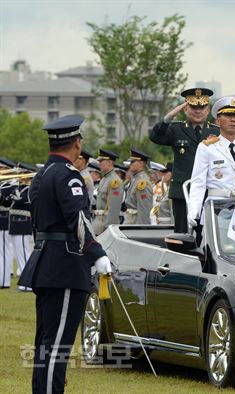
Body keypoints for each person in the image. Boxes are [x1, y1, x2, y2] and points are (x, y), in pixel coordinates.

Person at [17, 115, 112, 394]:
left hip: (46, 263)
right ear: (77, 144)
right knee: (56, 347)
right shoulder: (69, 176)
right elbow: (79, 220)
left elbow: (38, 221)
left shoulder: (41, 175)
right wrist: (98, 253)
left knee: (45, 346)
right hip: (66, 268)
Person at [188, 97, 235, 228]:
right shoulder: (207, 147)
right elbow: (198, 182)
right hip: (217, 208)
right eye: (228, 115)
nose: (233, 119)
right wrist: (193, 211)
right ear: (218, 121)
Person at [149, 87, 219, 233]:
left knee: (209, 233)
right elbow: (154, 136)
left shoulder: (216, 132)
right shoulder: (176, 129)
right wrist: (171, 114)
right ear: (186, 109)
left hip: (209, 192)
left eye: (202, 107)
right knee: (182, 233)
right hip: (182, 191)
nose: (198, 111)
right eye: (193, 107)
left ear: (208, 110)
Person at [9, 163, 35, 291]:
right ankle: (24, 282)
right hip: (15, 223)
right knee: (19, 254)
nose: (19, 176)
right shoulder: (20, 187)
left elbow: (20, 199)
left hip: (23, 223)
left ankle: (28, 283)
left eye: (22, 173)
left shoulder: (30, 188)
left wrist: (14, 188)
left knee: (24, 254)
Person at [92, 149, 124, 234]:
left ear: (110, 162)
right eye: (99, 161)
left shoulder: (115, 181)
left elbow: (114, 209)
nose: (100, 163)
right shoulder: (104, 179)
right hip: (98, 222)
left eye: (102, 161)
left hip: (105, 225)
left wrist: (109, 229)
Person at [123, 149, 153, 225]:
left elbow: (144, 210)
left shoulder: (142, 182)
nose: (130, 164)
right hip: (130, 221)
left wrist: (142, 230)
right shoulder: (136, 179)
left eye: (133, 162)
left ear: (141, 163)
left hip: (135, 224)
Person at [0, 157, 16, 289]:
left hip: (4, 220)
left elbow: (6, 202)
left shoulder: (11, 184)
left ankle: (4, 282)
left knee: (3, 251)